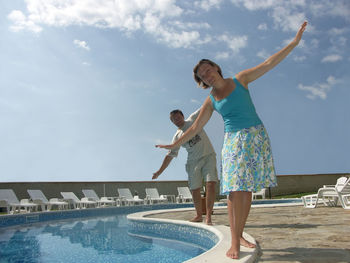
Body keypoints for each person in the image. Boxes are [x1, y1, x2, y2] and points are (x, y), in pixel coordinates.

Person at [156, 21, 308, 259]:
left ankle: (239, 235)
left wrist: (295, 42)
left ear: (216, 68)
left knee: (245, 191)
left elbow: (269, 63)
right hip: (234, 141)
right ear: (202, 81)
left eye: (208, 69)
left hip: (256, 137)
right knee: (233, 191)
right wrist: (174, 144)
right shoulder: (211, 99)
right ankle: (235, 242)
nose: (206, 74)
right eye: (202, 75)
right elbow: (195, 127)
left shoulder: (240, 79)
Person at [153, 108, 218, 225]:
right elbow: (170, 156)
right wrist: (159, 171)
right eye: (173, 120)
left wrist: (219, 94)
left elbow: (206, 107)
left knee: (211, 184)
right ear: (172, 122)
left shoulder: (192, 119)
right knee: (195, 189)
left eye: (178, 117)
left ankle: (208, 216)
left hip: (208, 155)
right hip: (193, 162)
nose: (176, 120)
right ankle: (199, 215)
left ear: (183, 116)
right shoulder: (177, 136)